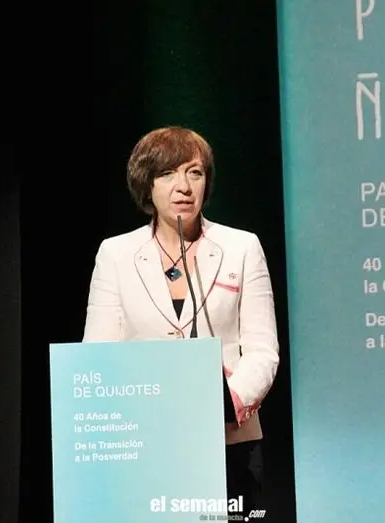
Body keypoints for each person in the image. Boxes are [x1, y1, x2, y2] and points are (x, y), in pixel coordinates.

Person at [82, 126, 280, 516]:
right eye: (167, 174)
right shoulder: (116, 254)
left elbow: (262, 351)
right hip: (146, 443)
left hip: (229, 441)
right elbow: (98, 357)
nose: (183, 187)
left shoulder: (242, 247)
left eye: (195, 173)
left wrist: (224, 404)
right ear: (147, 185)